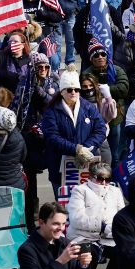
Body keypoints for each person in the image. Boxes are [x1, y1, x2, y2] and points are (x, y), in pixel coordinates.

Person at [40, 65, 107, 195]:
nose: (73, 92)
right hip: (59, 166)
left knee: (87, 202)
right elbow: (52, 136)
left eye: (76, 89)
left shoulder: (89, 107)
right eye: (69, 89)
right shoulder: (51, 110)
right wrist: (76, 149)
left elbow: (100, 130)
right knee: (64, 204)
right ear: (62, 91)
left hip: (86, 165)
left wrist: (86, 149)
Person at [67, 163, 125, 269]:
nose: (104, 183)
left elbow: (122, 216)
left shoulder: (115, 191)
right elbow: (76, 219)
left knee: (123, 253)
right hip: (84, 236)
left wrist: (110, 230)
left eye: (107, 179)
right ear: (91, 177)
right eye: (100, 179)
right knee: (89, 253)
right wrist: (102, 226)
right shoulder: (80, 190)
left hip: (109, 237)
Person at [18, 203, 91, 269]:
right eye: (56, 224)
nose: (61, 228)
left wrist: (83, 265)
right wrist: (60, 261)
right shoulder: (27, 250)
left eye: (63, 223)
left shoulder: (65, 243)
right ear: (41, 222)